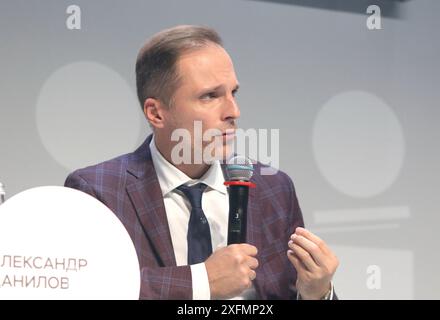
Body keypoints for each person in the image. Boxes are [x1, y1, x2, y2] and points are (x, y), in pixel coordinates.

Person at [64, 25, 339, 300]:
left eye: (234, 92)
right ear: (156, 113)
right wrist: (201, 282)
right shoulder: (98, 191)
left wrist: (316, 293)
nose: (233, 111)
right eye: (210, 96)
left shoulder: (274, 188)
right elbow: (89, 287)